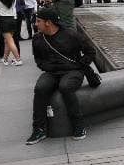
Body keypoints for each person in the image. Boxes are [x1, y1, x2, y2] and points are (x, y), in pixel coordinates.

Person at [25, 8, 96, 144]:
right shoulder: (38, 39)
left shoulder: (71, 35)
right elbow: (39, 61)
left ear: (48, 23)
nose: (35, 24)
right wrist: (49, 67)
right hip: (52, 72)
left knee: (66, 86)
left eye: (38, 21)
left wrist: (80, 65)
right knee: (40, 88)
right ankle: (38, 129)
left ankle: (79, 125)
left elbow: (90, 52)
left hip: (73, 72)